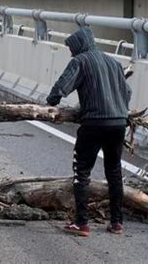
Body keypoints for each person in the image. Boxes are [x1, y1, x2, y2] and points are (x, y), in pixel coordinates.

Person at [46, 27, 132, 237]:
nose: (71, 53)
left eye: (71, 48)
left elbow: (62, 86)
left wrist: (51, 102)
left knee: (82, 172)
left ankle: (82, 223)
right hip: (119, 123)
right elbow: (127, 92)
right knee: (114, 172)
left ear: (78, 46)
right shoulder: (114, 62)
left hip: (93, 123)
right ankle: (117, 222)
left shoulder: (80, 61)